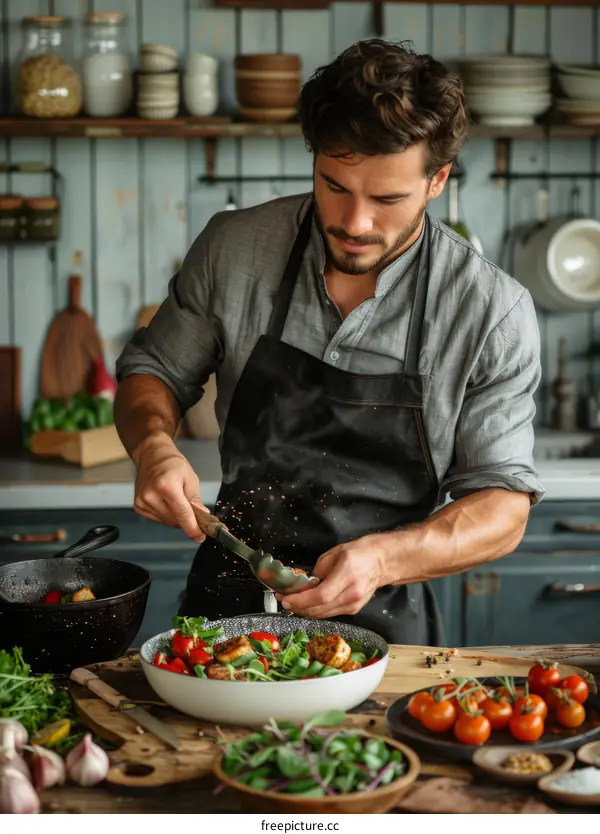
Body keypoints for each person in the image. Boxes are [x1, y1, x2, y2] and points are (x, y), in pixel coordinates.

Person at [114, 38, 545, 646]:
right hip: (222, 624)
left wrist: (380, 559)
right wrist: (153, 444)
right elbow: (152, 370)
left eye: (388, 198)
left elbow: (502, 507)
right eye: (335, 185)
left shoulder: (489, 311)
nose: (355, 222)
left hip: (389, 637)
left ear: (438, 179)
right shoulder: (235, 249)